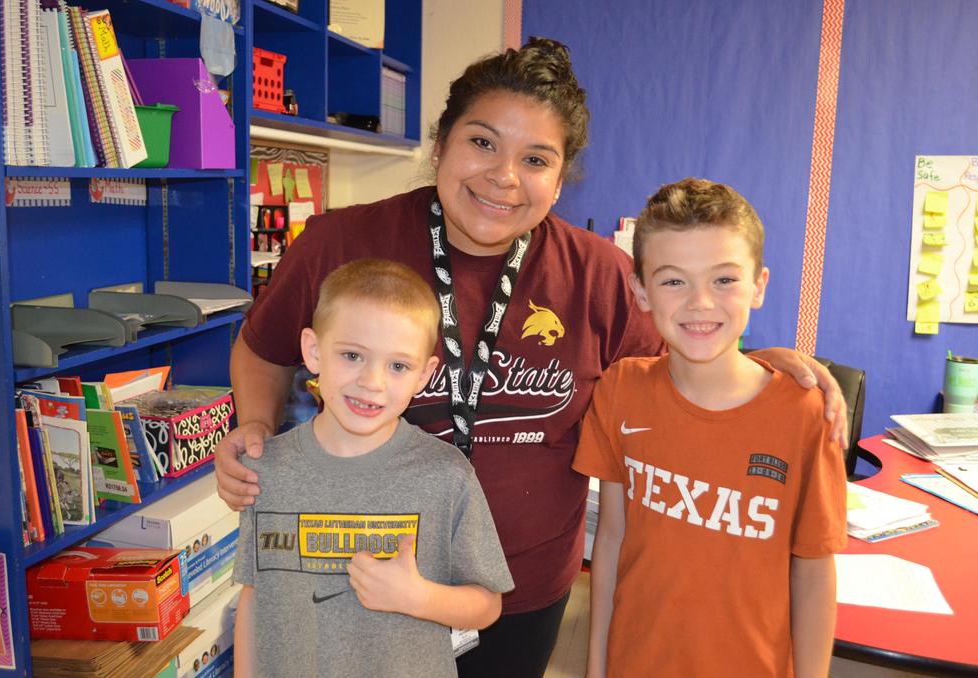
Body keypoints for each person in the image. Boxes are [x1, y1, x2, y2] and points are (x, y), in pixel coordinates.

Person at [216, 38, 848, 677]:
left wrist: (756, 360)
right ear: (441, 143)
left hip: (522, 587)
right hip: (355, 570)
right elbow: (263, 349)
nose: (504, 177)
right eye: (483, 143)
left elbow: (678, 366)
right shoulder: (341, 241)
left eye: (536, 158)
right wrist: (257, 428)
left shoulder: (598, 275)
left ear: (561, 175)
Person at [575, 178, 847, 678]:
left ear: (759, 285)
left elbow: (813, 572)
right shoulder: (620, 391)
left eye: (724, 279)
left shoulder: (805, 413)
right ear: (640, 290)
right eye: (674, 280)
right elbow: (611, 539)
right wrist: (597, 667)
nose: (700, 302)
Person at [233, 259, 514, 678]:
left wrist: (418, 597)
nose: (373, 382)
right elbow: (255, 598)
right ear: (313, 351)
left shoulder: (446, 475)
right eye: (352, 355)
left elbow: (488, 603)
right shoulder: (266, 471)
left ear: (424, 374)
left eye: (398, 366)